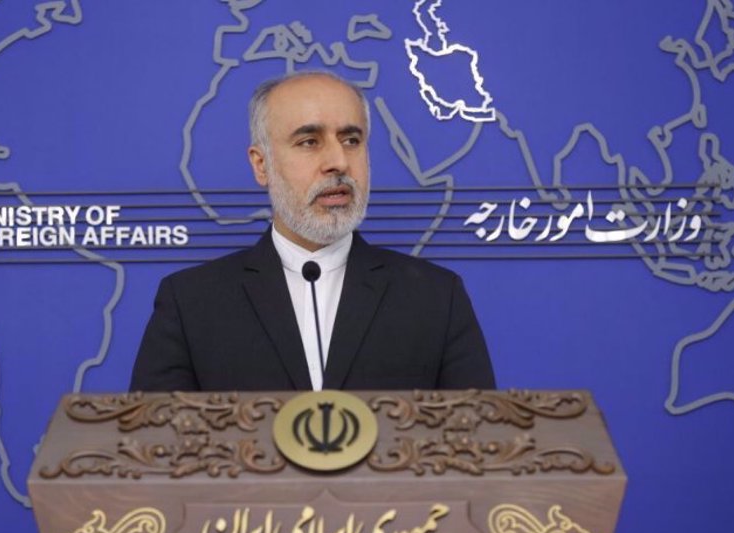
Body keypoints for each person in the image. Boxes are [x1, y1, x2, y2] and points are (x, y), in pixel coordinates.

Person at [130, 71, 495, 392]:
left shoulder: (436, 297)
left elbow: (480, 446)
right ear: (262, 165)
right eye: (309, 142)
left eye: (351, 140)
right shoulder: (191, 303)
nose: (338, 162)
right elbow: (151, 450)